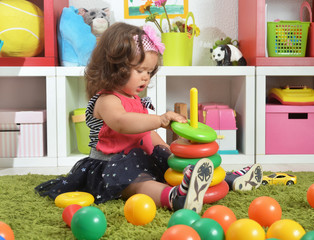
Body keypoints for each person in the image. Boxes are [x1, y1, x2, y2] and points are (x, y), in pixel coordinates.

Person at [34, 22, 214, 214]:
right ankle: (175, 198)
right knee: (138, 185)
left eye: (149, 72)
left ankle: (223, 179)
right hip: (111, 166)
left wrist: (167, 151)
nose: (146, 77)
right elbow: (121, 123)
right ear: (114, 68)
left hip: (139, 159)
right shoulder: (107, 100)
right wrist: (160, 119)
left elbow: (146, 132)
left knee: (169, 168)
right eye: (139, 70)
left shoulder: (136, 99)